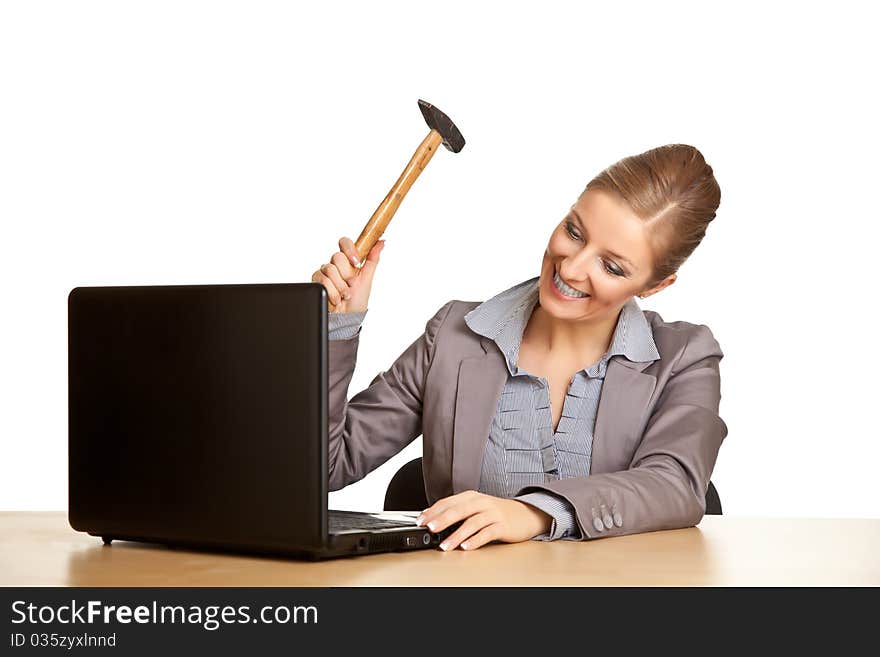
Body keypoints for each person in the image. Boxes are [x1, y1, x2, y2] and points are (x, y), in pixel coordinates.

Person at [311, 143, 726, 551]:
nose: (571, 267)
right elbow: (323, 467)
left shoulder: (684, 358)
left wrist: (535, 513)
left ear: (655, 286)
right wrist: (335, 329)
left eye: (612, 266)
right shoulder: (453, 337)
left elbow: (676, 484)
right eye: (574, 232)